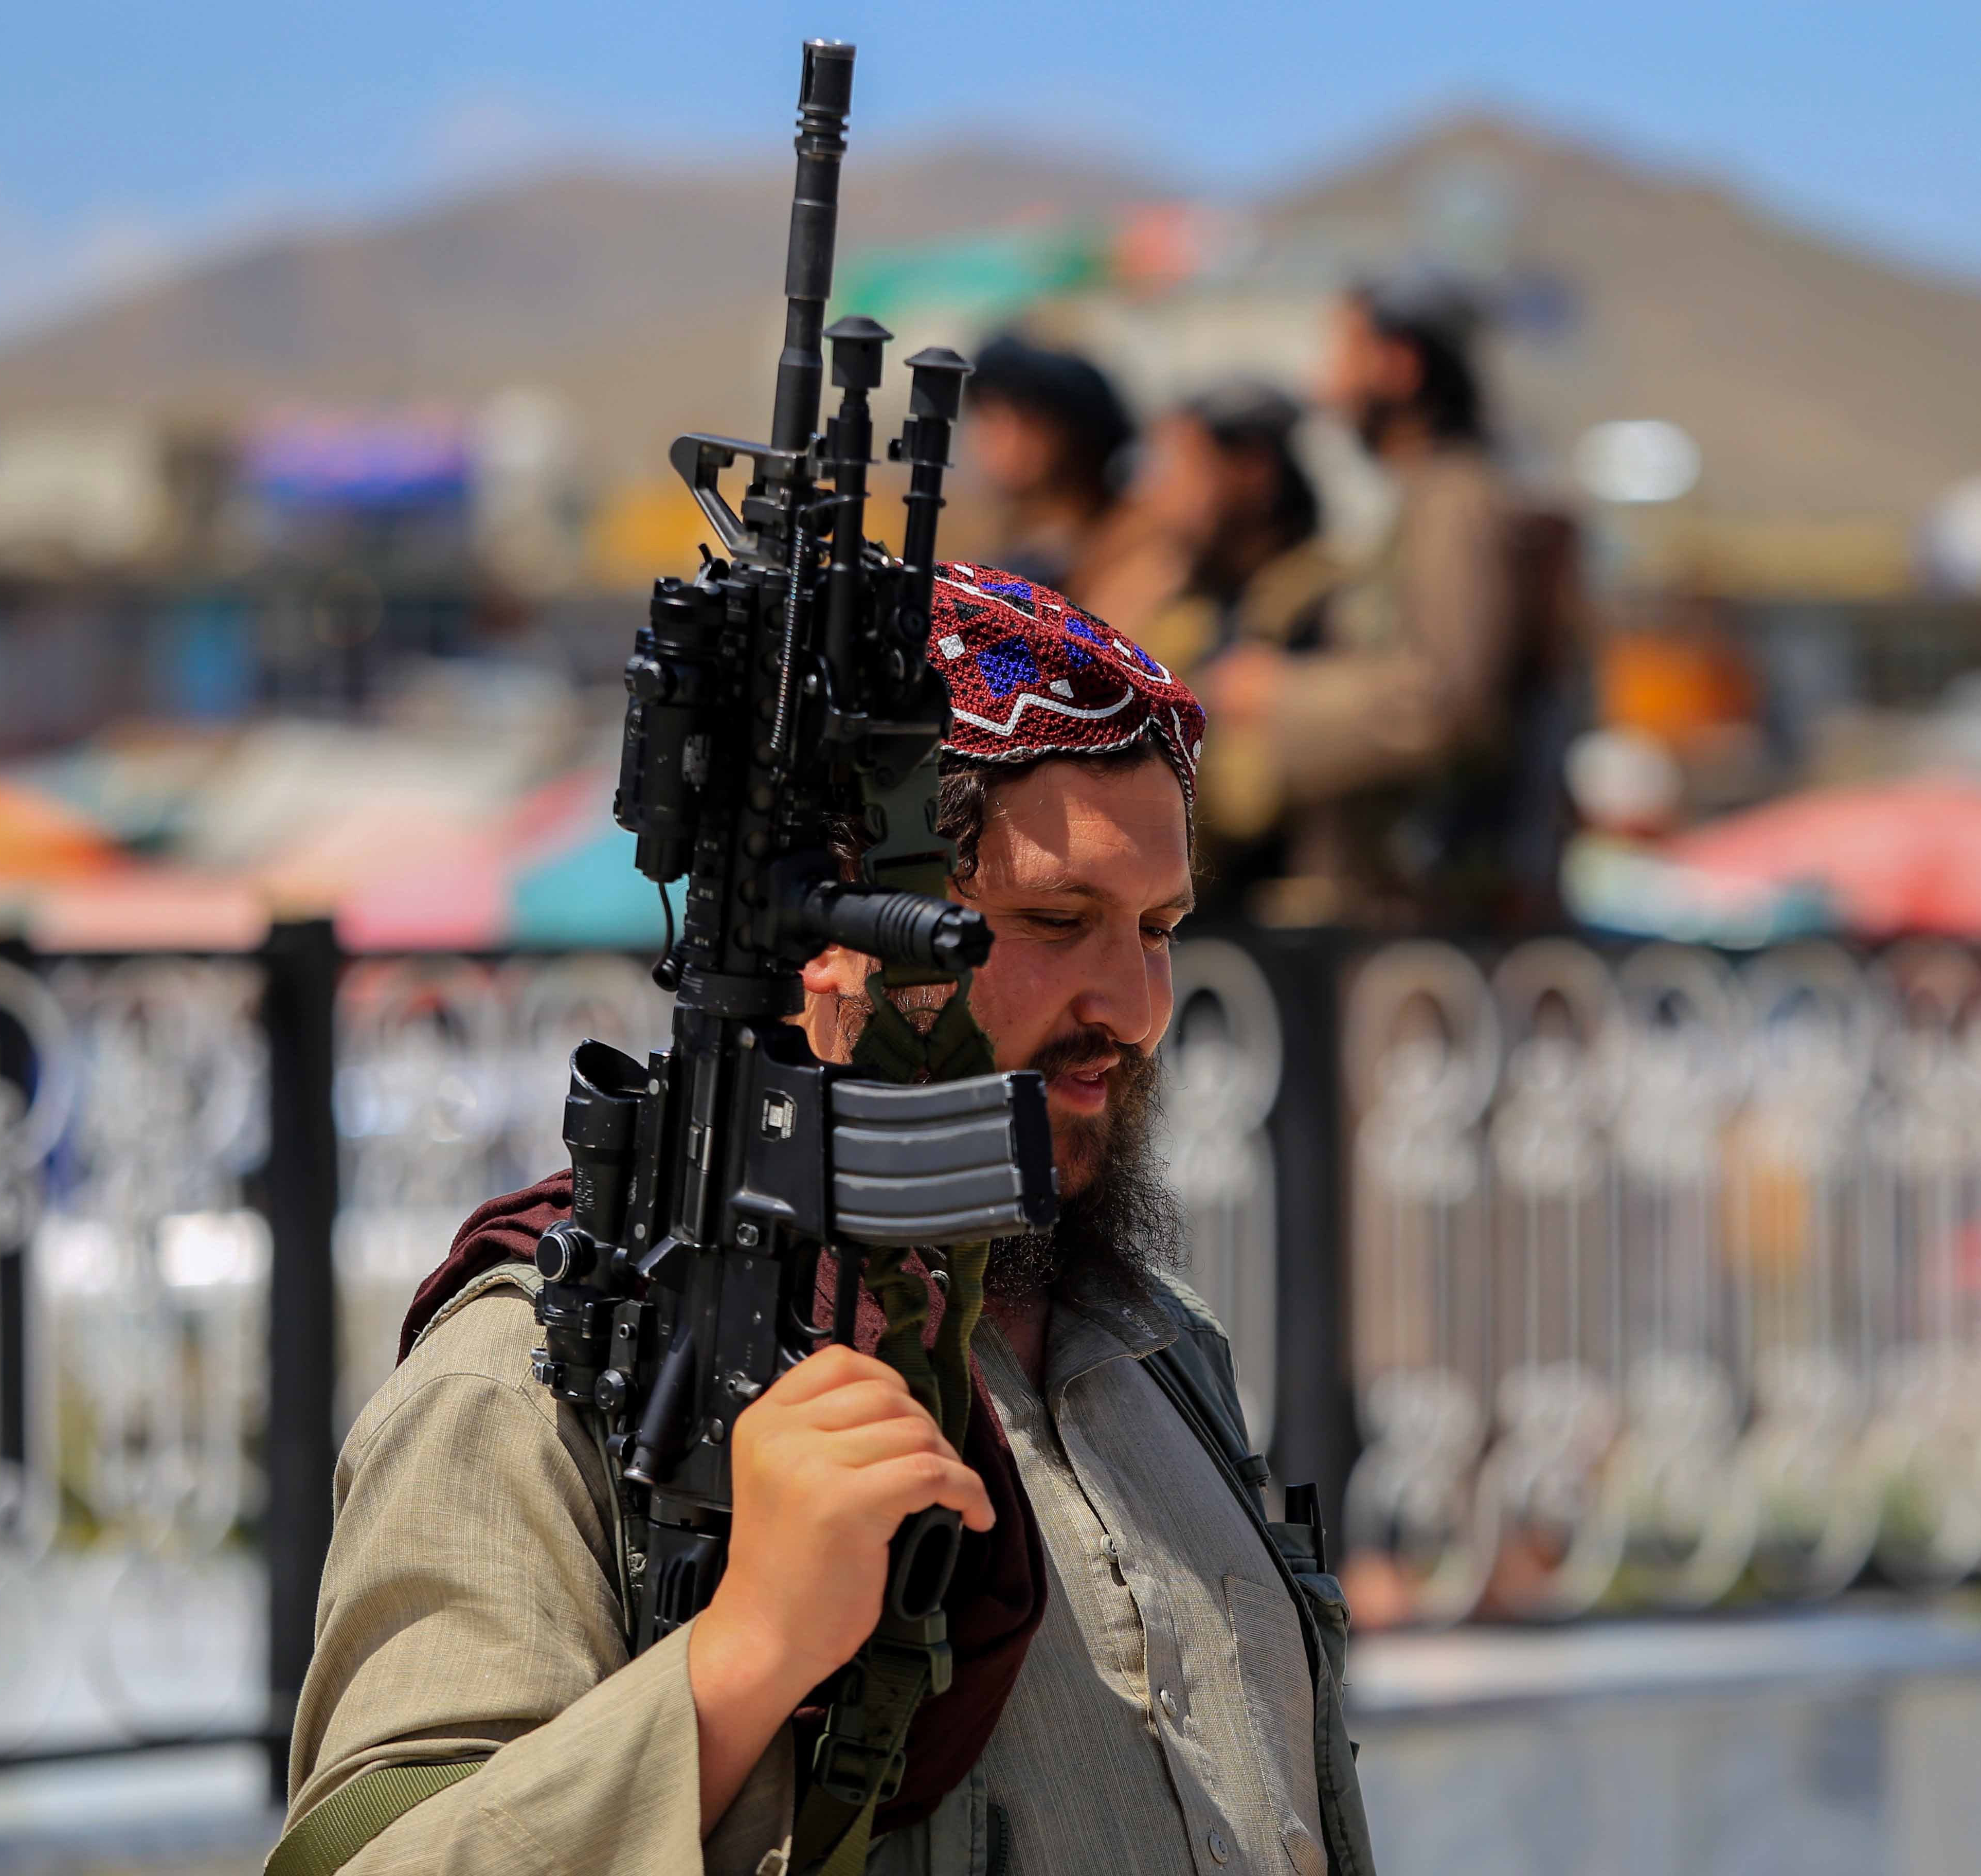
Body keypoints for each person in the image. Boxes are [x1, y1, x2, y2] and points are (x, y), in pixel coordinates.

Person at [273, 566, 1372, 1875]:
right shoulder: (551, 1382)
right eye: (1053, 922)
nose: (1133, 1004)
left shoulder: (1153, 1350)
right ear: (836, 938)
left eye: (1157, 927)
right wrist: (739, 1663)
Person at [1198, 276, 1517, 926]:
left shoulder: (1455, 500)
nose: (1327, 387)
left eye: (1344, 355)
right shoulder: (1417, 498)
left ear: (1399, 366)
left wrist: (1274, 694)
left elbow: (1445, 697)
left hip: (1414, 911)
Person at [1130, 380, 1345, 911]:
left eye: (1184, 471)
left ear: (1252, 471)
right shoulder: (1187, 601)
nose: (1161, 496)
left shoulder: (1327, 600)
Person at [963, 335, 1178, 628]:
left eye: (1022, 421)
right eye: (986, 417)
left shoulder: (1144, 555)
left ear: (1075, 436)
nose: (992, 440)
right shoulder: (1021, 536)